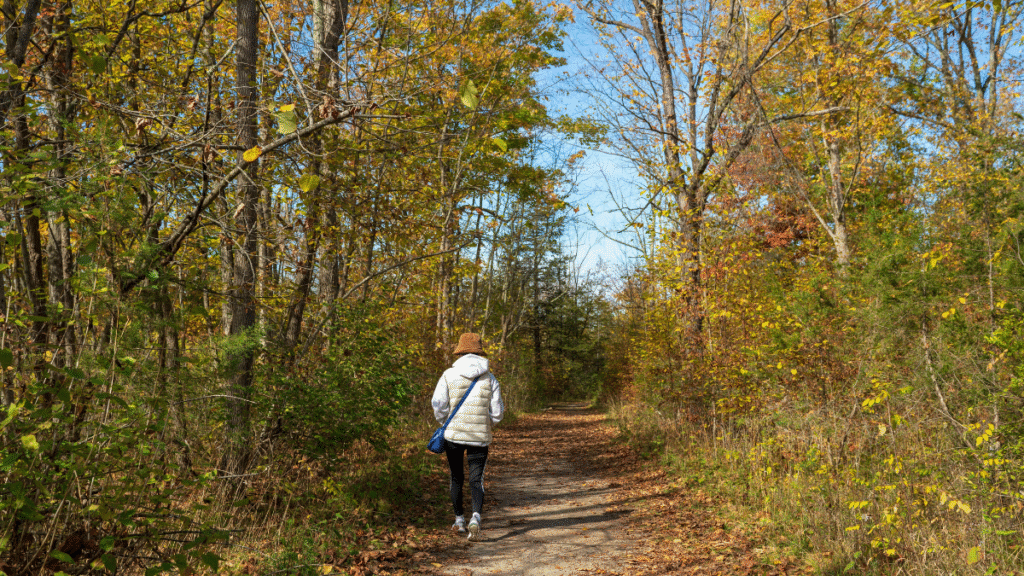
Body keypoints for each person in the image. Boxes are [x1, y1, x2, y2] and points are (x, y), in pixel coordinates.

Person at [431, 333, 505, 541]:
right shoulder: (490, 378)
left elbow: (438, 405)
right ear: (480, 352)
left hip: (453, 435)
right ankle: (476, 517)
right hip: (479, 437)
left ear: (460, 351)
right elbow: (497, 413)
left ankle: (459, 521)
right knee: (476, 479)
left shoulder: (448, 375)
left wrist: (444, 422)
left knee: (456, 478)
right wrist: (487, 422)